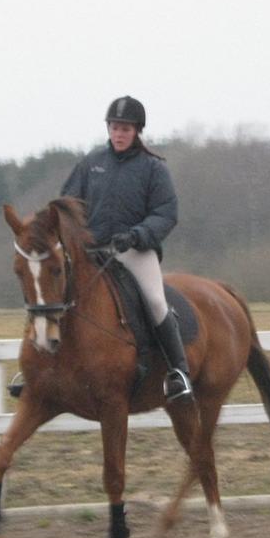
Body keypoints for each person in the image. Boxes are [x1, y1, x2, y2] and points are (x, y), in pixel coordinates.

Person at [60, 95, 193, 402]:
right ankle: (38, 368)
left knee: (156, 303)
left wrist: (137, 235)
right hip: (93, 252)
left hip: (135, 251)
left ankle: (179, 373)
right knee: (53, 294)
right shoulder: (91, 163)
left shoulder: (153, 169)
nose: (119, 134)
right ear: (108, 128)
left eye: (126, 129)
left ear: (137, 132)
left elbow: (166, 213)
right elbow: (67, 204)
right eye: (115, 127)